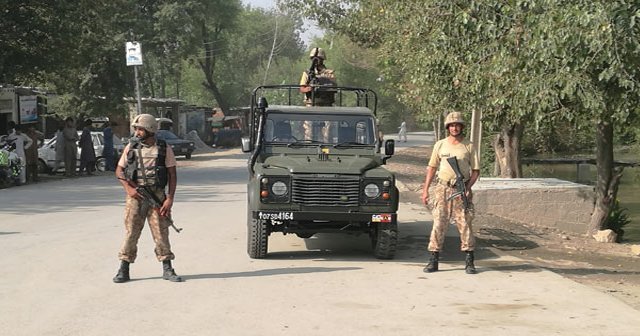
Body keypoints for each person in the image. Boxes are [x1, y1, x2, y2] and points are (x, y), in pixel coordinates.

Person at [112, 113, 182, 283]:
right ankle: (124, 269)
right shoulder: (131, 147)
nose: (137, 132)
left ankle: (167, 268)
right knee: (131, 233)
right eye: (136, 129)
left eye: (140, 129)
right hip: (136, 196)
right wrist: (128, 188)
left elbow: (172, 174)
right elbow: (119, 171)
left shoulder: (164, 148)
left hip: (157, 196)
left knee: (161, 232)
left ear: (150, 129)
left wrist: (169, 199)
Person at [421, 111, 480, 274]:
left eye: (457, 125)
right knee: (439, 223)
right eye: (452, 125)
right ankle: (433, 260)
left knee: (465, 224)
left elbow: (475, 171)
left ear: (462, 127)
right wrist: (425, 190)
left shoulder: (469, 145)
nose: (455, 128)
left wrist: (467, 188)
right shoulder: (440, 145)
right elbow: (432, 168)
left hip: (461, 190)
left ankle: (469, 261)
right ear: (448, 127)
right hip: (442, 189)